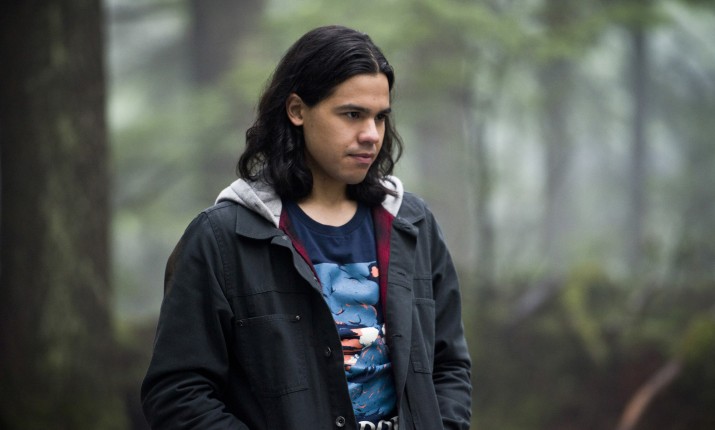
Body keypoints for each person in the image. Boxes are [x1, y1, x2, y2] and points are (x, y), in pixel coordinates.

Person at [141, 25, 472, 430]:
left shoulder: (412, 225)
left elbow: (449, 366)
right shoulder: (222, 239)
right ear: (297, 110)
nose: (371, 135)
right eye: (352, 114)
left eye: (380, 117)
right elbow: (178, 393)